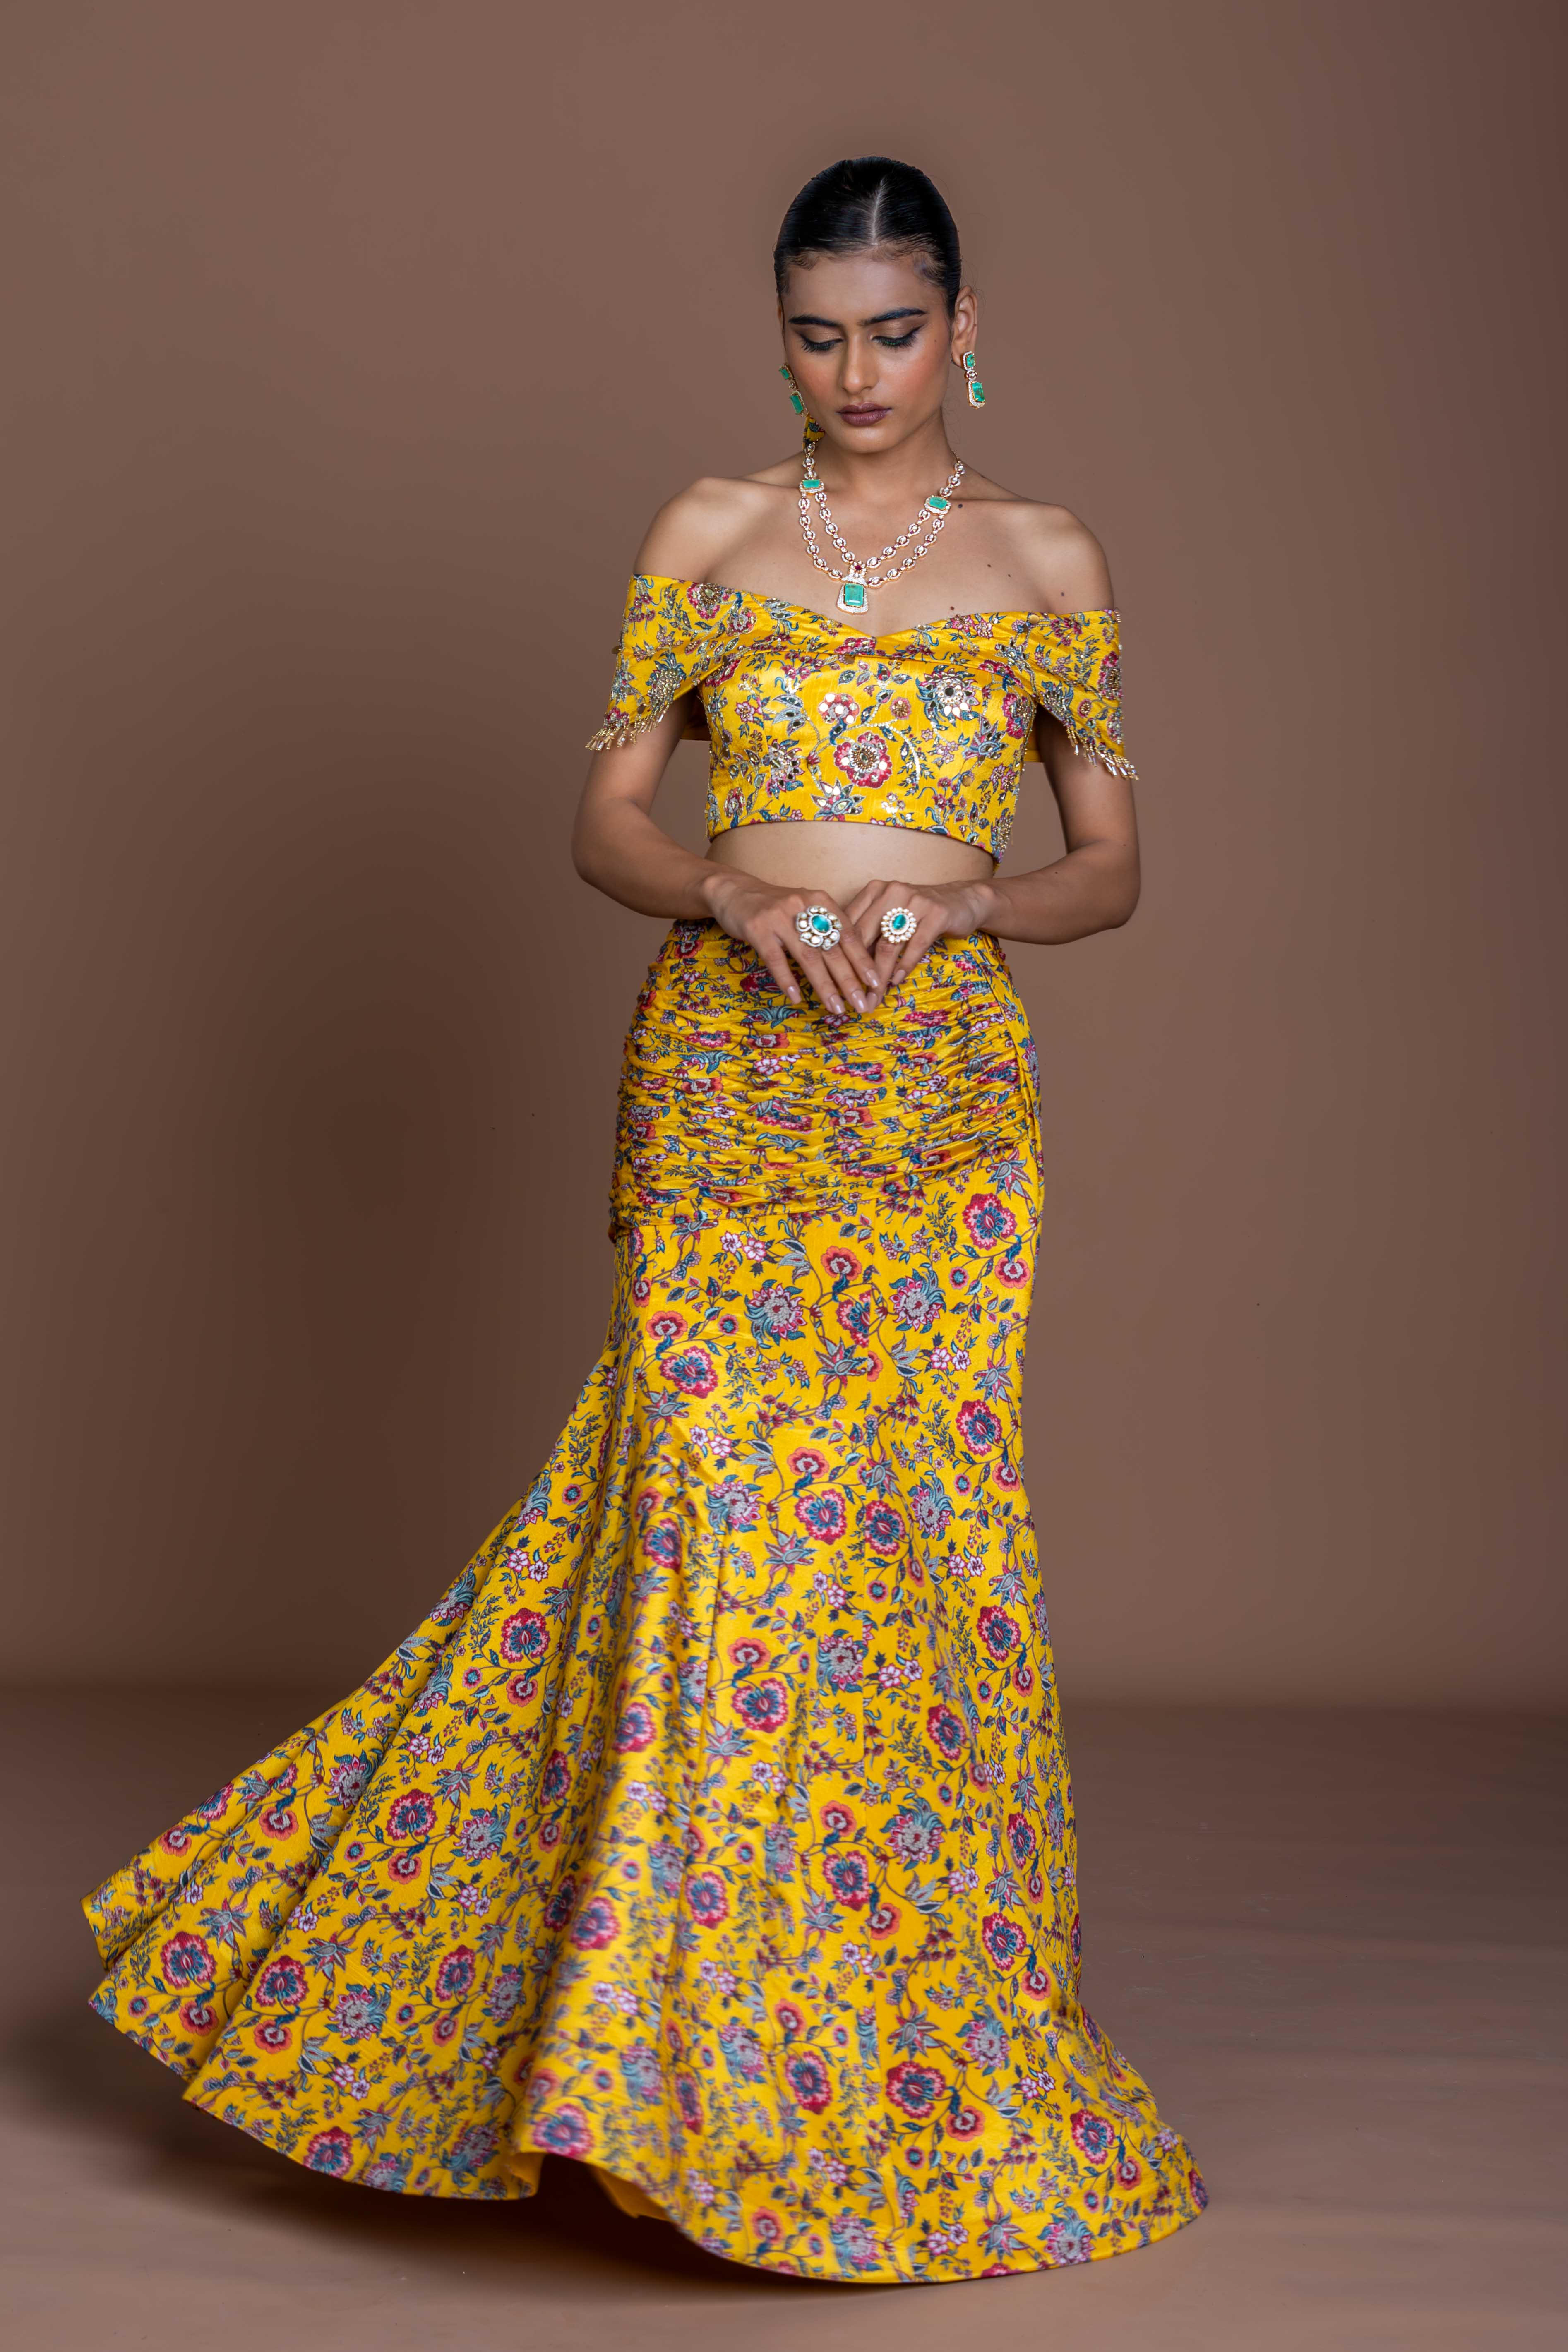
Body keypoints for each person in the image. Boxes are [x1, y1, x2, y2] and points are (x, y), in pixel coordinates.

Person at [83, 156, 1206, 2285]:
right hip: (726, 1084)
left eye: (895, 331)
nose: (856, 373)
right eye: (818, 332)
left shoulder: (1049, 556)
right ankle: (646, 2062)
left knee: (914, 1554)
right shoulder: (704, 531)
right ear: (779, 333)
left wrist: (968, 898)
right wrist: (730, 889)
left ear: (965, 328)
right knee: (702, 1531)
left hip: (941, 1114)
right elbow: (604, 819)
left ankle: (888, 2059)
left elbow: (1114, 866)